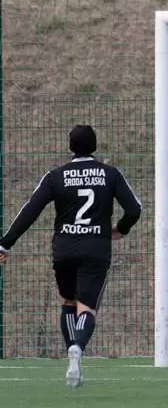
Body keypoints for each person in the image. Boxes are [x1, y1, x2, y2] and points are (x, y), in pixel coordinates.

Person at [0, 125, 142, 388]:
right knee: (86, 306)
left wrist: (5, 245)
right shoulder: (110, 174)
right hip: (96, 248)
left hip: (64, 249)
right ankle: (78, 348)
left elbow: (30, 210)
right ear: (95, 146)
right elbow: (134, 209)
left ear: (70, 147)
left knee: (68, 300)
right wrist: (121, 229)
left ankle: (71, 356)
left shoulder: (56, 176)